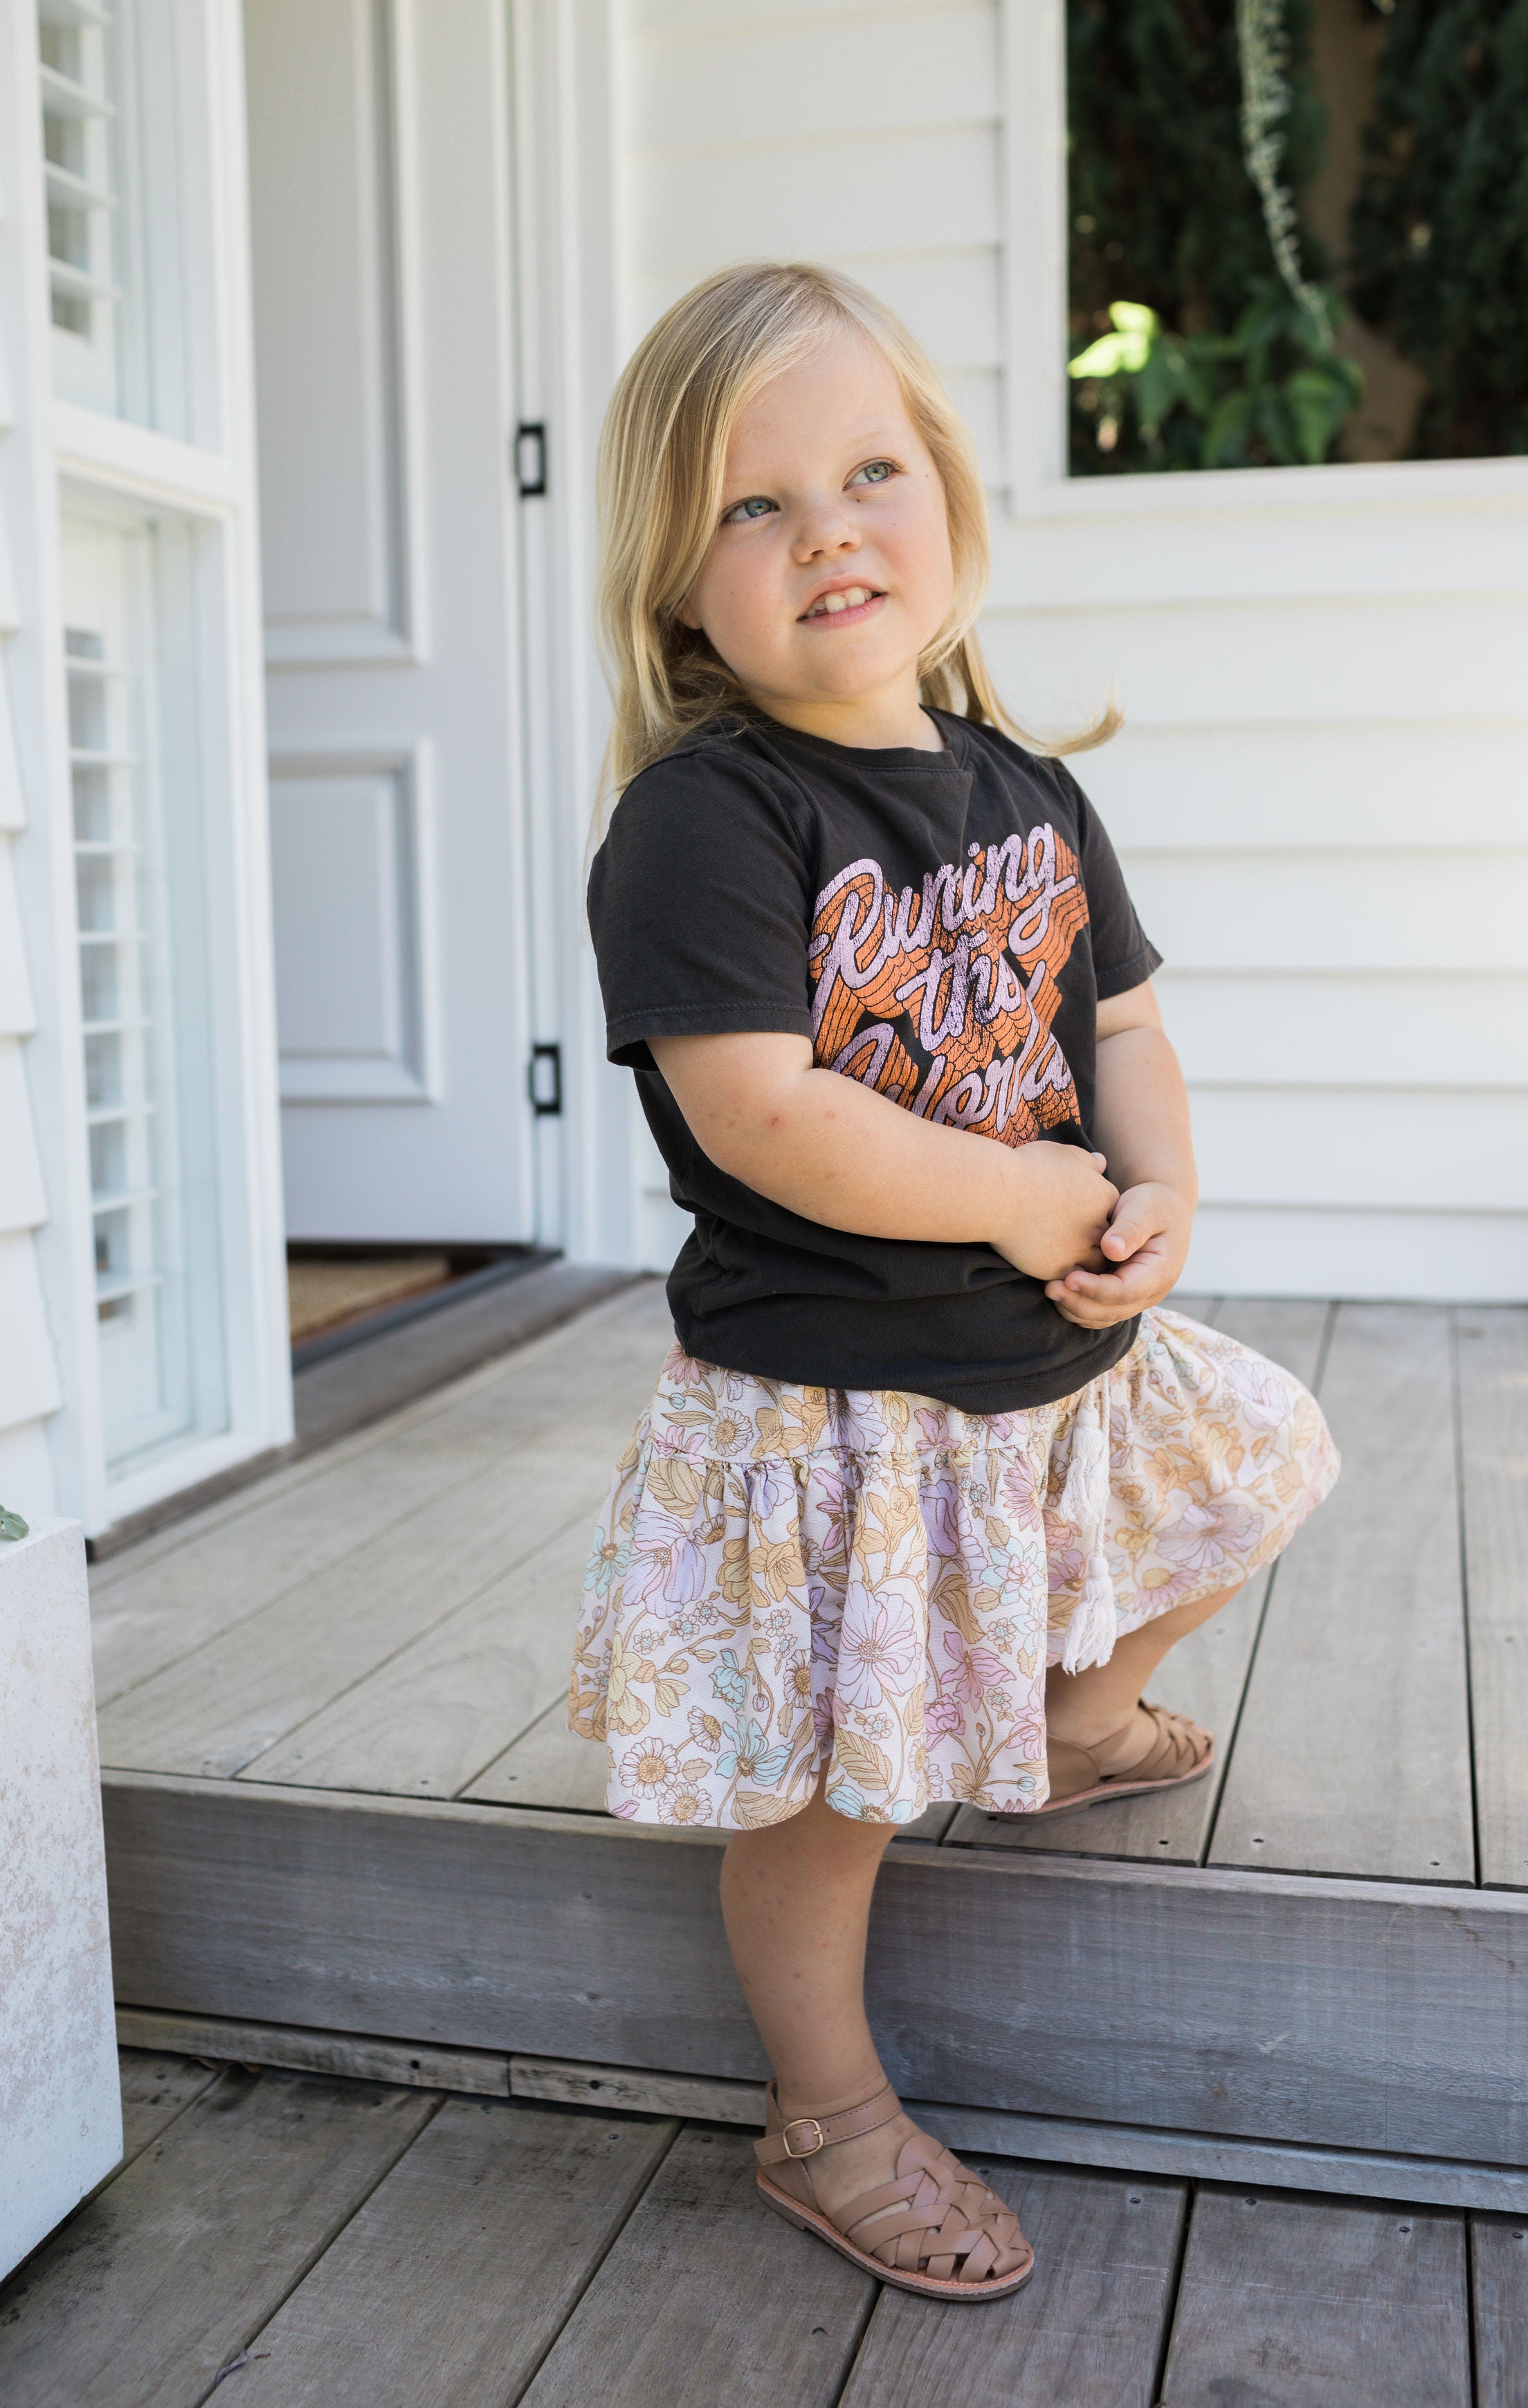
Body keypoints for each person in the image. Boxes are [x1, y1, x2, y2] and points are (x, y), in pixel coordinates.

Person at [569, 261, 1338, 2301]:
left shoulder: (1031, 790)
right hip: (834, 1407)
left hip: (1046, 1353)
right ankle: (823, 2113)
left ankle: (1078, 1722)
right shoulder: (705, 819)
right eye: (753, 505)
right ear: (679, 590)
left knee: (1260, 1455)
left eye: (870, 470)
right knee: (840, 1789)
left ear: (953, 507)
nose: (826, 528)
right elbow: (762, 1115)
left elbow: (1128, 1032)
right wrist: (1013, 1200)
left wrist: (1154, 1188)